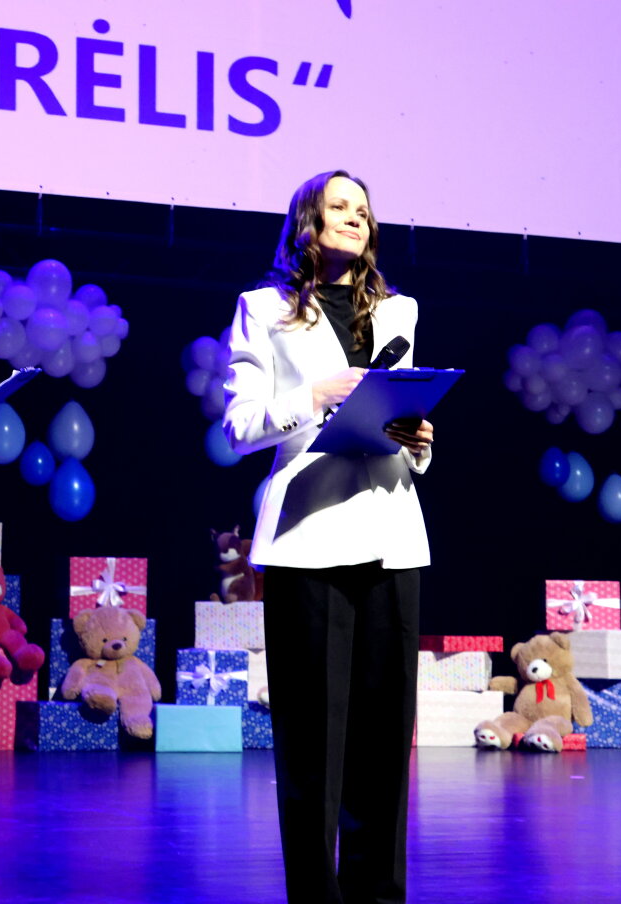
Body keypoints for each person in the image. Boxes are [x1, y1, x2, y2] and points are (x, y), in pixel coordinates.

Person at [223, 170, 434, 904]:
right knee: (313, 740)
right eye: (339, 207)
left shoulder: (400, 310)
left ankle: (379, 896)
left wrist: (419, 441)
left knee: (385, 738)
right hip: (308, 537)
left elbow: (400, 420)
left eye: (364, 212)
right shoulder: (262, 310)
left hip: (392, 535)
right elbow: (239, 425)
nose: (354, 218)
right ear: (307, 222)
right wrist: (312, 397)